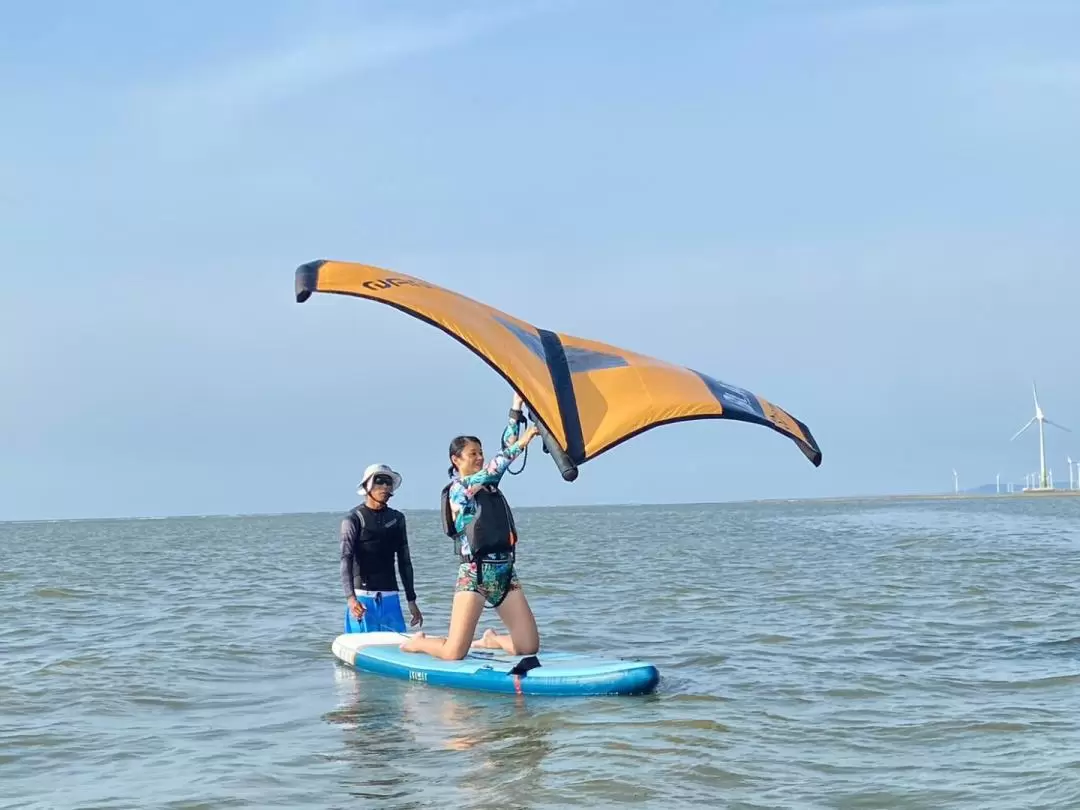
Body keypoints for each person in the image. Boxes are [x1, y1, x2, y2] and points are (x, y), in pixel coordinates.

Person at [400, 392, 541, 660]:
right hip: (474, 576)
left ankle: (492, 639)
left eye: (481, 453)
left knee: (528, 647)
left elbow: (503, 452)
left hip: (505, 574)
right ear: (456, 460)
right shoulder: (460, 489)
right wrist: (525, 441)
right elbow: (497, 463)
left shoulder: (488, 483)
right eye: (472, 454)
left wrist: (516, 407)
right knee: (454, 653)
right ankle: (419, 642)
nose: (479, 458)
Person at [340, 463, 423, 633]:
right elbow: (345, 559)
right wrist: (351, 599)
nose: (385, 487)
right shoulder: (353, 519)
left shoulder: (397, 518)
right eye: (379, 482)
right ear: (367, 486)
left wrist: (411, 600)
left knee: (395, 647)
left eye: (388, 483)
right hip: (362, 598)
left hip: (390, 598)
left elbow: (404, 561)